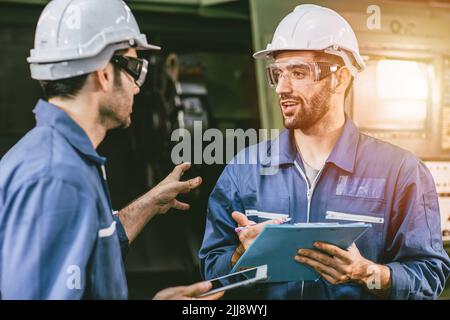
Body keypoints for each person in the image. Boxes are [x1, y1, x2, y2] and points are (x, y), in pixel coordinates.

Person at [199, 4, 450, 299]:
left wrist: (368, 274)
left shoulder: (400, 172)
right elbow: (211, 274)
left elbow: (430, 276)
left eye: (298, 72)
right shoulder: (244, 170)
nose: (282, 87)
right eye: (277, 74)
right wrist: (238, 257)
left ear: (340, 78)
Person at [0, 0, 222, 300]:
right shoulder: (56, 176)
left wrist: (150, 203)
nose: (137, 87)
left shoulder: (68, 158)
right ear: (104, 73)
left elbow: (93, 249)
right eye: (135, 69)